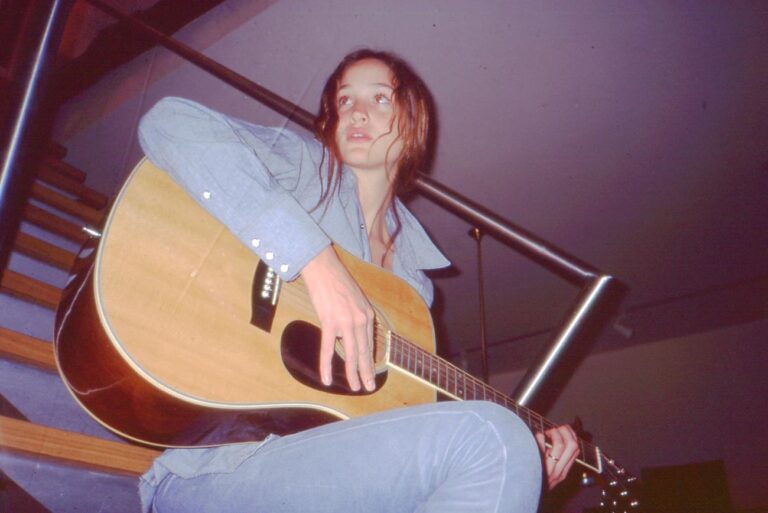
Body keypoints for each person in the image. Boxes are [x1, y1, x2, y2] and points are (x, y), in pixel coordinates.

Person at [136, 49, 579, 513]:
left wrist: (522, 464)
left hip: (321, 473)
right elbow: (168, 124)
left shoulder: (415, 289)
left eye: (380, 99)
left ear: (413, 125)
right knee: (493, 435)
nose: (357, 112)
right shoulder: (305, 170)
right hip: (222, 467)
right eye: (345, 100)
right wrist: (317, 262)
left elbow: (385, 437)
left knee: (498, 443)